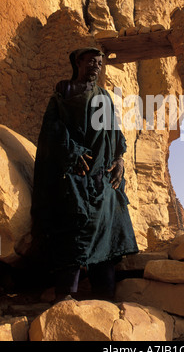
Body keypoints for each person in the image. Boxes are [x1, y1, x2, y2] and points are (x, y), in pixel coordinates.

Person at [31, 45, 139, 302]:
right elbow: (52, 129)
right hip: (73, 178)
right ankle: (64, 299)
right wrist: (72, 151)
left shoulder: (103, 96)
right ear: (78, 62)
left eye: (99, 63)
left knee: (107, 236)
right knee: (72, 232)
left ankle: (106, 302)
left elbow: (114, 135)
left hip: (103, 179)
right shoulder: (63, 93)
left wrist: (120, 161)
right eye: (91, 61)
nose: (96, 67)